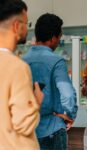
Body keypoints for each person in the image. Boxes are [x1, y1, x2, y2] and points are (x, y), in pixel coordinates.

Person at [23, 13, 78, 150]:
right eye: (59, 37)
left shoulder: (22, 61)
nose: (59, 40)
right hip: (52, 130)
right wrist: (69, 115)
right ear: (53, 38)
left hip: (28, 130)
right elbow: (68, 95)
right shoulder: (56, 61)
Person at [0, 0, 43, 149]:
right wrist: (36, 102)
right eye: (26, 23)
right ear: (17, 26)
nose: (27, 28)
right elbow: (24, 123)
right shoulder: (17, 67)